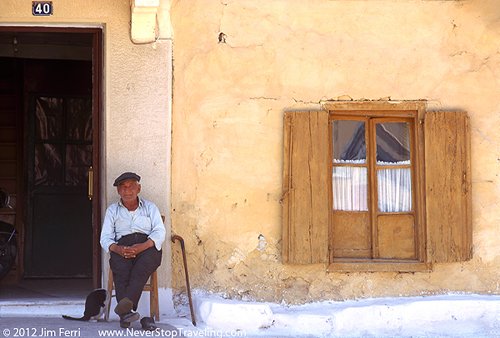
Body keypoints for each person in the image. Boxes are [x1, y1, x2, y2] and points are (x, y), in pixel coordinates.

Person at [100, 172, 165, 329]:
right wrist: (118, 249)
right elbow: (105, 238)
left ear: (139, 188)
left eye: (131, 187)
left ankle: (125, 313)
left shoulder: (150, 207)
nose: (127, 191)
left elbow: (159, 232)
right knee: (120, 269)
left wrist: (142, 246)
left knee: (141, 268)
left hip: (147, 247)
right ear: (118, 191)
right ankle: (126, 312)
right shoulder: (112, 211)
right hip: (122, 247)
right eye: (123, 187)